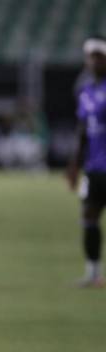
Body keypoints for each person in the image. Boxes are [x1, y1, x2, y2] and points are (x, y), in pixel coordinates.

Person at [67, 35, 106, 287]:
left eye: (98, 56)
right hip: (94, 168)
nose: (93, 61)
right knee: (88, 215)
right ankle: (93, 274)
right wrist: (74, 165)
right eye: (90, 56)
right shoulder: (86, 92)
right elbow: (82, 131)